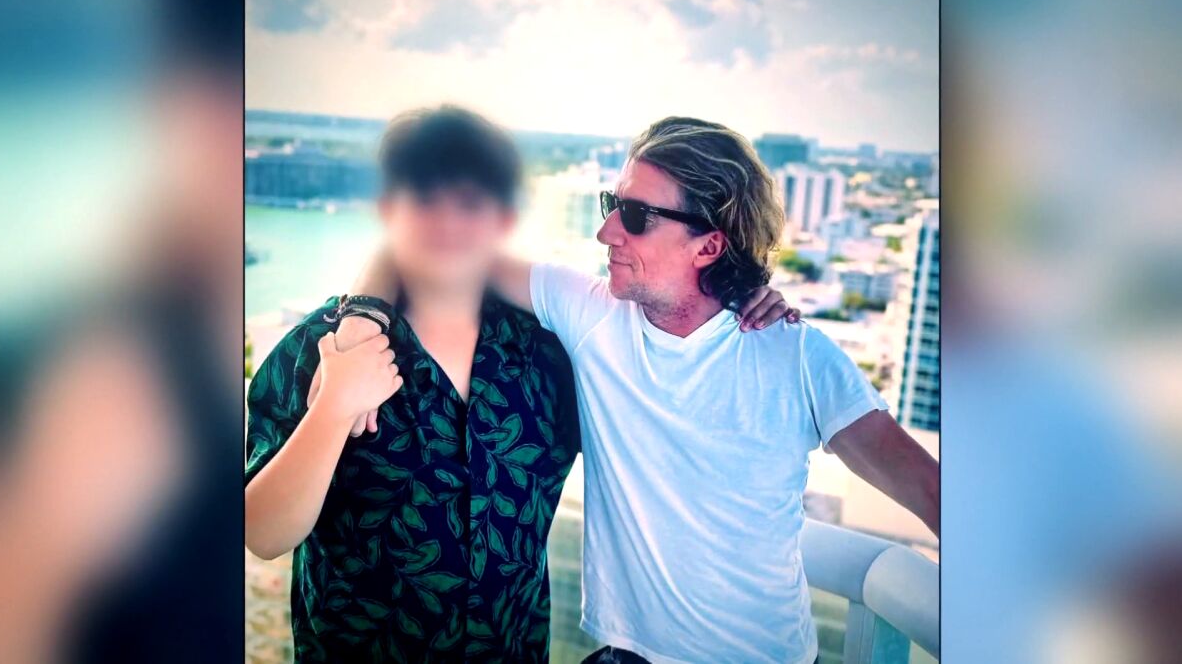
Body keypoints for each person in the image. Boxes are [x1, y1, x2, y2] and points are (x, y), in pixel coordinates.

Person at [335, 116, 939, 664]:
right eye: (612, 204)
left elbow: (925, 486)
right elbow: (420, 246)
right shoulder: (592, 315)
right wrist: (361, 320)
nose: (606, 232)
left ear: (710, 245)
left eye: (635, 216)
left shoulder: (796, 354)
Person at [244, 107, 798, 662]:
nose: (446, 222)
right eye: (423, 197)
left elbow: (672, 416)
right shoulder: (322, 348)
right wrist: (334, 408)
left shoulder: (549, 355)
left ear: (504, 217)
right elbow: (263, 534)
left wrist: (733, 299)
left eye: (470, 201)